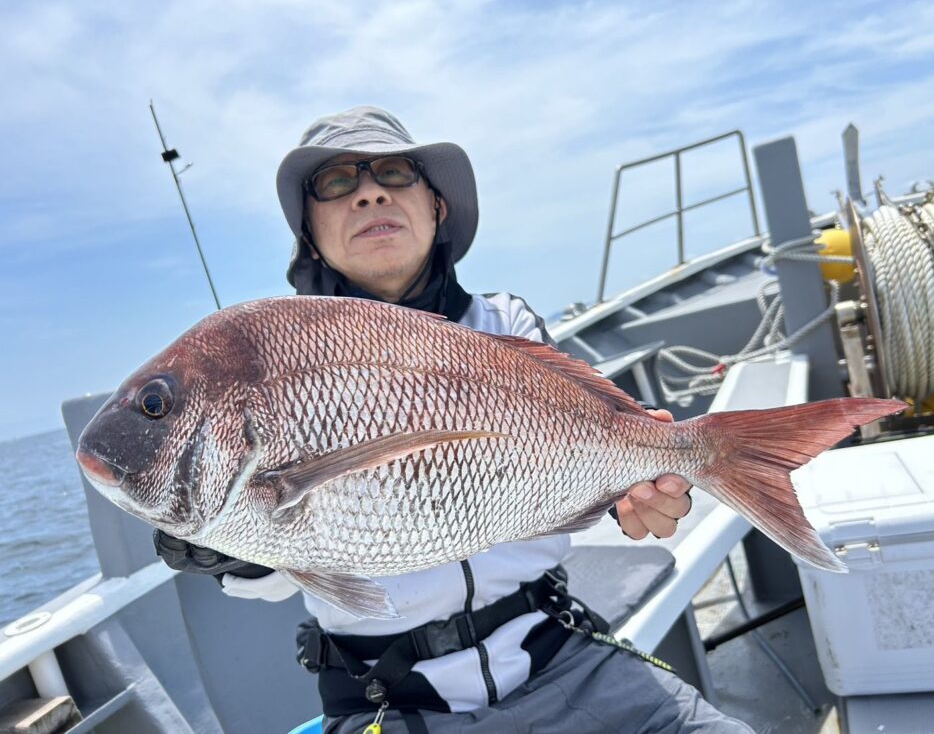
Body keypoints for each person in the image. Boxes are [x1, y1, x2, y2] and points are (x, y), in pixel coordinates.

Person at [157, 107, 752, 733]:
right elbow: (277, 578)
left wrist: (632, 493)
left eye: (394, 172)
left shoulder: (503, 325)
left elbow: (565, 457)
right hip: (390, 700)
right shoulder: (271, 360)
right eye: (336, 184)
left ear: (438, 207)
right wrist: (223, 549)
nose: (370, 192)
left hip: (563, 655)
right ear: (308, 233)